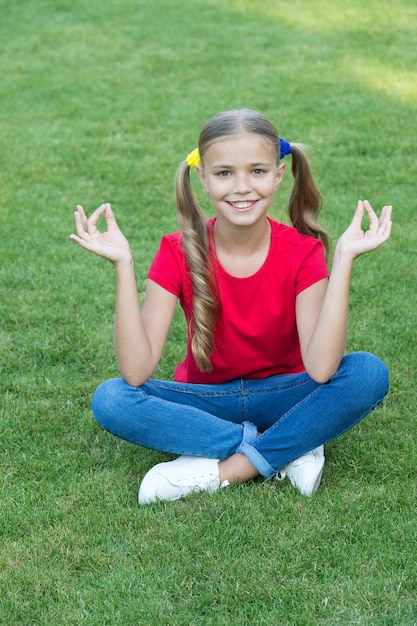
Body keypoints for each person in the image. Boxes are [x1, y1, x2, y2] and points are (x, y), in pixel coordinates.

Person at [70, 108, 392, 505]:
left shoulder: (303, 252)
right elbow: (136, 373)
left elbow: (322, 369)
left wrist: (342, 259)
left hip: (286, 393)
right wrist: (123, 266)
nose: (242, 187)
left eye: (257, 171)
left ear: (277, 175)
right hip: (208, 403)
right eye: (224, 173)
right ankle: (286, 447)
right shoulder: (176, 251)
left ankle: (229, 469)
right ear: (203, 178)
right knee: (112, 399)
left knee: (366, 373)